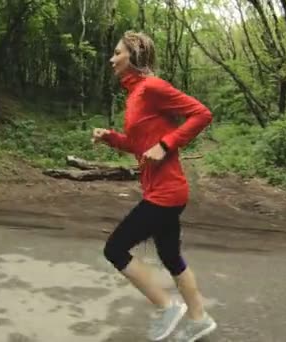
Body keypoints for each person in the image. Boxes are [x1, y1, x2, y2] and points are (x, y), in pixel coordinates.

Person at [92, 31, 217, 341]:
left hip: (166, 193)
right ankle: (199, 319)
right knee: (172, 258)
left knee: (115, 248)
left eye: (117, 53)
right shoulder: (135, 96)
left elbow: (202, 114)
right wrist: (109, 137)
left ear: (133, 57)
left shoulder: (152, 88)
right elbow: (137, 144)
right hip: (163, 192)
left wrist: (166, 143)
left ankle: (167, 307)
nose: (111, 59)